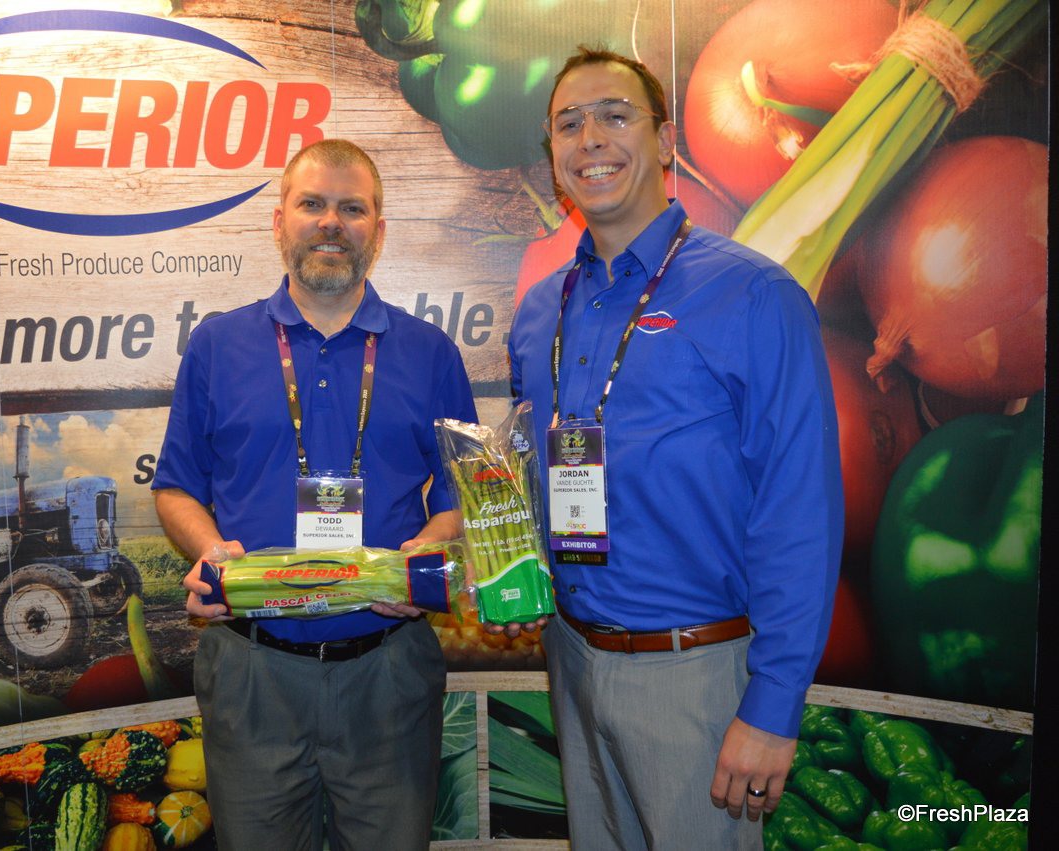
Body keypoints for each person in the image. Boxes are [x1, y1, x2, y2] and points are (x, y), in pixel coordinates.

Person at [507, 48, 844, 849]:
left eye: (615, 115)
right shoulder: (538, 312)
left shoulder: (754, 294)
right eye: (568, 123)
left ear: (664, 141)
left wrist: (772, 706)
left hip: (697, 677)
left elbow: (801, 510)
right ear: (552, 155)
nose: (591, 137)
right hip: (571, 659)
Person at [152, 139, 476, 851]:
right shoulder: (217, 345)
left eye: (352, 208)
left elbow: (460, 498)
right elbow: (175, 487)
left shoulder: (430, 353)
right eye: (313, 204)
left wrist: (422, 554)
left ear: (378, 231)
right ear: (280, 222)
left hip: (388, 669)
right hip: (252, 670)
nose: (331, 222)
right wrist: (210, 550)